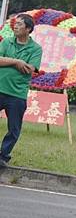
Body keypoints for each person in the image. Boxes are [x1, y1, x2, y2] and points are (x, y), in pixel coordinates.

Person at [0, 13, 42, 167]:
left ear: (28, 29)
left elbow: (29, 69)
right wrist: (16, 61)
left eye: (19, 24)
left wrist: (7, 62)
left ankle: (3, 156)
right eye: (15, 24)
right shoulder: (6, 42)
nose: (15, 26)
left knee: (14, 129)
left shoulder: (36, 49)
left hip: (17, 94)